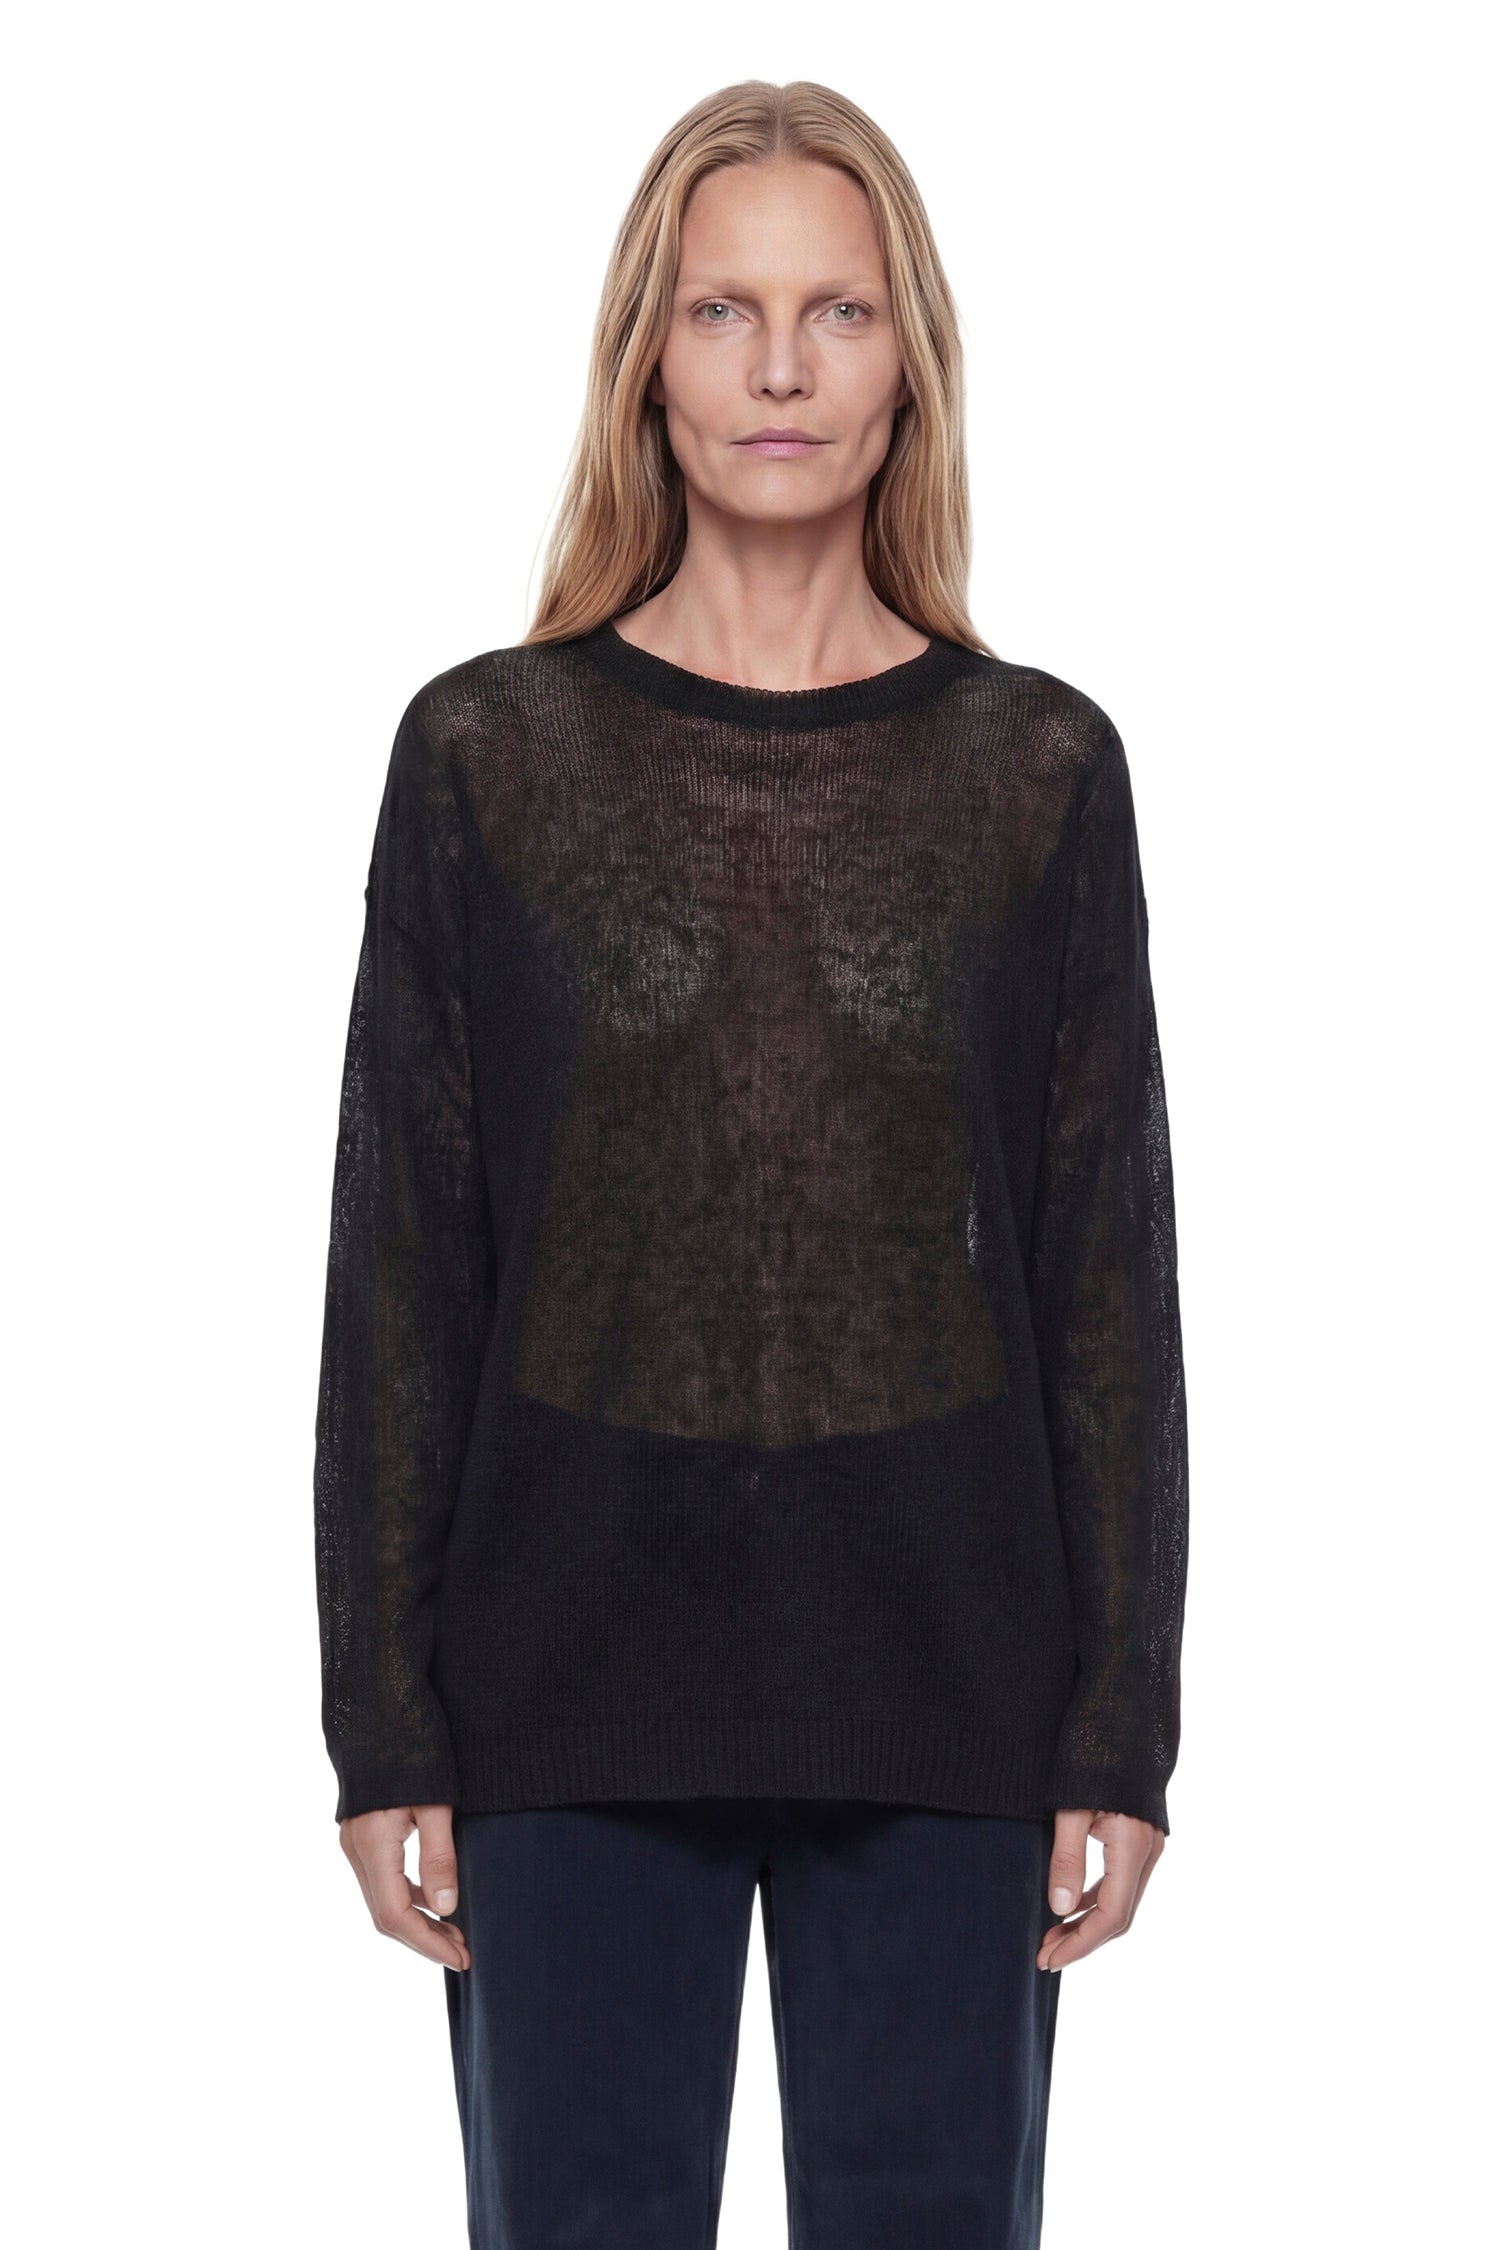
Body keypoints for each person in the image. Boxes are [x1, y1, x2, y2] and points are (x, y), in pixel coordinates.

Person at [313, 77, 1189, 2250]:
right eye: (724, 311)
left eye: (836, 312)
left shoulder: (1038, 769)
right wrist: (383, 1718)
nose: (781, 368)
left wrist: (1121, 1722)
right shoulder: (488, 756)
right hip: (567, 1679)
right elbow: (408, 1266)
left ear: (910, 363)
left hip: (949, 1677)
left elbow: (1103, 1275)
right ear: (650, 359)